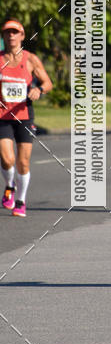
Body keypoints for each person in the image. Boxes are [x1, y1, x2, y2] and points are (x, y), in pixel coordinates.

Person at [0, 19, 53, 217]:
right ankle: (9, 185)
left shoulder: (30, 59)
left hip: (24, 115)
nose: (11, 36)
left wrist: (39, 90)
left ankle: (21, 201)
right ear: (3, 36)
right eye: (7, 32)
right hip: (2, 115)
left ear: (22, 36)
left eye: (15, 32)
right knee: (7, 159)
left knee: (23, 161)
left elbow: (48, 83)